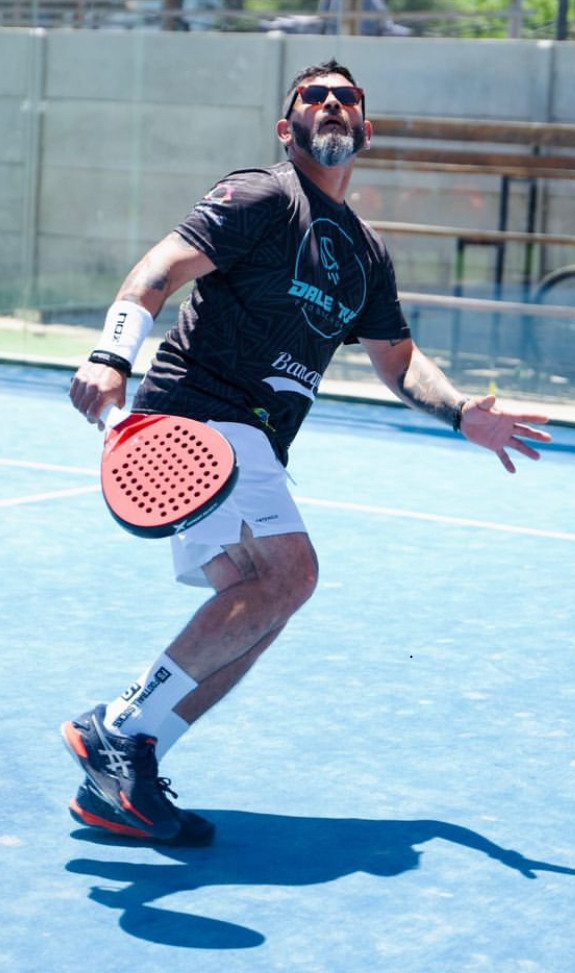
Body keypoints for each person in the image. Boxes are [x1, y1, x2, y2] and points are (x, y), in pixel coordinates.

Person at [64, 58, 551, 846]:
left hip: (252, 436)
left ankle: (124, 771)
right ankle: (118, 726)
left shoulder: (366, 252)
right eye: (312, 96)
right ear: (285, 126)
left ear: (365, 128)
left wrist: (461, 412)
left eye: (345, 97)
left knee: (259, 607)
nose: (329, 103)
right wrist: (111, 354)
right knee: (291, 575)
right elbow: (160, 268)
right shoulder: (260, 196)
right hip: (200, 413)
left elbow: (396, 360)